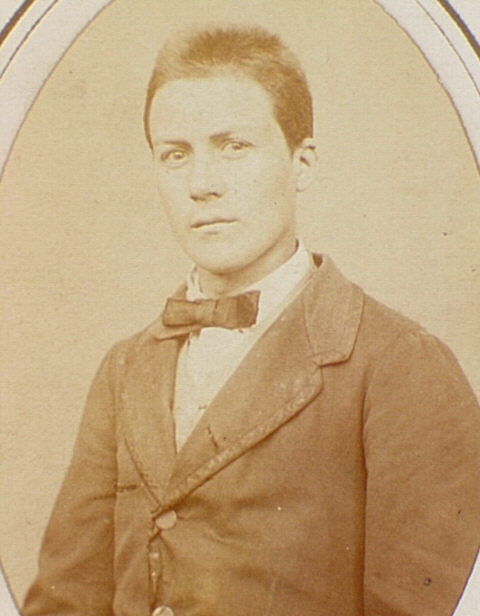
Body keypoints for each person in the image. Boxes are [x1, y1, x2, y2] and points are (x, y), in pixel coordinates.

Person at [23, 24, 480, 616]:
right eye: (175, 155)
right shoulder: (125, 369)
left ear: (302, 163)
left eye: (234, 146)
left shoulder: (399, 367)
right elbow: (63, 601)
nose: (202, 185)